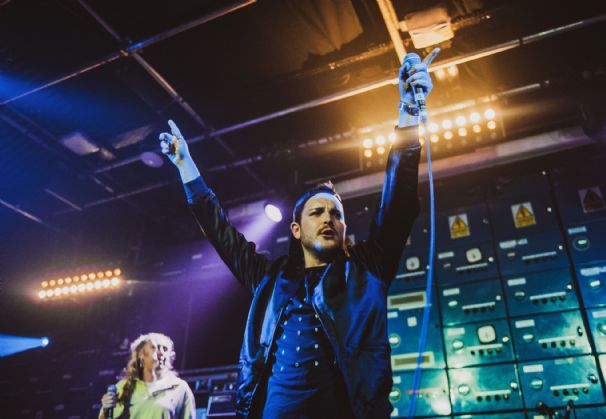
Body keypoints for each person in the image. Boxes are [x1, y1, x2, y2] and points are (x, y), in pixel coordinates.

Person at [159, 49, 438, 418]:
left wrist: (409, 113)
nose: (328, 219)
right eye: (317, 212)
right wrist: (185, 166)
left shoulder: (366, 269)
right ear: (295, 229)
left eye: (336, 214)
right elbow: (221, 233)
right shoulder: (269, 279)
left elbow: (397, 206)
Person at [99, 332, 196, 419]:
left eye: (165, 349)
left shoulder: (180, 388)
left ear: (171, 356)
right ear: (141, 354)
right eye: (154, 347)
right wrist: (106, 410)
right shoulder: (123, 387)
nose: (160, 353)